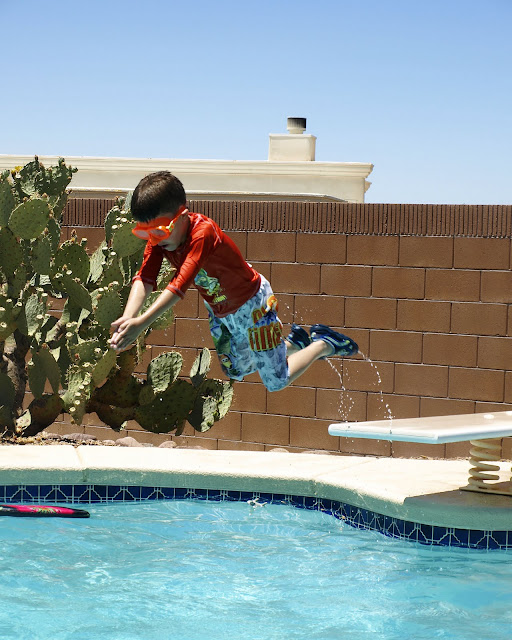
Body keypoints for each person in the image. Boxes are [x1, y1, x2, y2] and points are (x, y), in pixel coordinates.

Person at [109, 171, 358, 391]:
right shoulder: (159, 240)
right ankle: (293, 344)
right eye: (145, 233)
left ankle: (323, 343)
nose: (153, 239)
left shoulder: (203, 233)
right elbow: (145, 277)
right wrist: (129, 318)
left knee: (275, 380)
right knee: (235, 370)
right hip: (221, 312)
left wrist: (142, 323)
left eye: (159, 231)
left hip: (254, 306)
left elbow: (179, 285)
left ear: (183, 216)